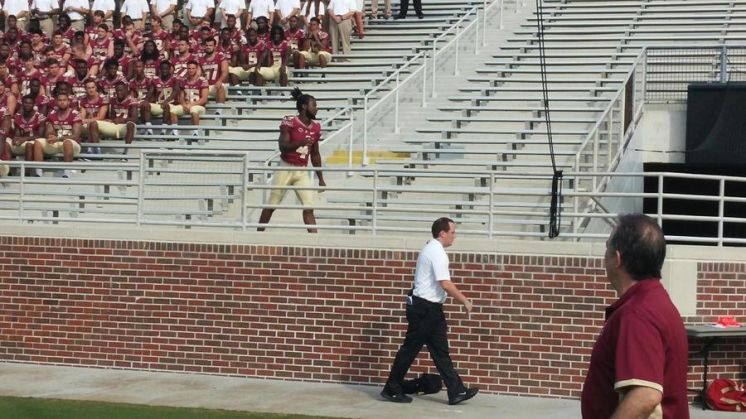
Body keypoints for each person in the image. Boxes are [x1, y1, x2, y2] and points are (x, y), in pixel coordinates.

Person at [581, 214, 689, 419]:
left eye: (607, 248)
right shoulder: (656, 302)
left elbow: (645, 395)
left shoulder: (637, 314)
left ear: (617, 259)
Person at [380, 217, 479, 405]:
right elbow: (445, 283)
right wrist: (465, 301)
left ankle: (456, 391)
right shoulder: (437, 252)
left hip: (431, 309)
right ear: (442, 233)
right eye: (452, 232)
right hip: (424, 309)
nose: (454, 236)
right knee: (409, 350)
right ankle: (392, 389)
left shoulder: (432, 248)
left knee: (441, 352)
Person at [257, 88, 325, 233]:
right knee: (272, 204)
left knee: (309, 206)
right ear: (304, 106)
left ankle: (315, 242)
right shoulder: (290, 122)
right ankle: (258, 235)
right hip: (286, 167)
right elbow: (283, 147)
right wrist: (300, 143)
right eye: (314, 105)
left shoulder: (316, 127)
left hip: (301, 170)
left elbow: (315, 154)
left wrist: (321, 178)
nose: (317, 109)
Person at [33, 92, 82, 177]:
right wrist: (50, 135)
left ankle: (67, 171)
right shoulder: (52, 113)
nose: (62, 102)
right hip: (57, 142)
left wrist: (58, 138)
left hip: (73, 144)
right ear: (56, 102)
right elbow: (49, 130)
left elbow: (76, 135)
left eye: (64, 100)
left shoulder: (75, 114)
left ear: (68, 102)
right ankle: (38, 171)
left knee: (67, 142)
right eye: (60, 100)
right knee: (38, 142)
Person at [171, 60, 208, 136]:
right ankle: (175, 132)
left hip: (199, 106)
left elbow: (204, 99)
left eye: (193, 68)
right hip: (186, 105)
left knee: (194, 110)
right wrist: (184, 104)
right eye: (189, 68)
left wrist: (191, 105)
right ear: (187, 69)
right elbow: (181, 96)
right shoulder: (183, 80)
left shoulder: (202, 80)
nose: (191, 70)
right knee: (173, 110)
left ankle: (196, 132)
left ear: (197, 69)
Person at [10, 94, 48, 165]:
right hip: (22, 142)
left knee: (29, 145)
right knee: (7, 144)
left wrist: (25, 139)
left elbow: (40, 136)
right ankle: (8, 170)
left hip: (35, 142)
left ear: (34, 105)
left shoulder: (40, 117)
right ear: (22, 104)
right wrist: (15, 139)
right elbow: (17, 133)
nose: (27, 105)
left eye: (30, 103)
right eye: (25, 103)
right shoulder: (17, 117)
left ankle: (27, 173)